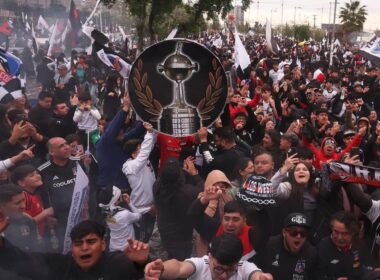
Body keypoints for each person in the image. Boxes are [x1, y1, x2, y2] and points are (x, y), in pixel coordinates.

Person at [0, 218, 149, 280]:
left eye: (91, 242)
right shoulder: (59, 266)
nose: (84, 248)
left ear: (103, 245)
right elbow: (19, 261)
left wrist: (142, 262)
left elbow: (156, 270)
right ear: (71, 248)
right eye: (78, 243)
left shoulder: (116, 262)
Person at [144, 233, 273, 280]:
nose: (223, 276)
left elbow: (255, 275)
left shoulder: (243, 267)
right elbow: (179, 267)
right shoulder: (201, 264)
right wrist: (162, 270)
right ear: (210, 257)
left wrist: (261, 277)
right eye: (218, 268)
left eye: (230, 270)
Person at [38, 137, 88, 249]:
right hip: (60, 217)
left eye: (66, 144)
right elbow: (42, 195)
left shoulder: (78, 162)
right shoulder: (42, 170)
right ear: (51, 152)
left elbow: (86, 184)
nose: (67, 147)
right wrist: (48, 215)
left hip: (81, 212)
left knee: (85, 242)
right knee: (66, 246)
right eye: (61, 146)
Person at [153, 157, 203, 260]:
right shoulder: (188, 193)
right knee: (181, 260)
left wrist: (183, 173)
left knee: (170, 254)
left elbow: (172, 184)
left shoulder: (156, 187)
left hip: (165, 231)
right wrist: (194, 173)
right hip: (183, 236)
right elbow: (202, 189)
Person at [315, 211, 378, 279]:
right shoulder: (322, 247)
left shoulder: (359, 244)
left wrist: (374, 272)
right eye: (336, 232)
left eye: (344, 233)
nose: (339, 237)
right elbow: (315, 276)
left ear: (353, 233)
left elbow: (365, 269)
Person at [122, 122, 156, 242]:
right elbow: (145, 151)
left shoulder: (141, 160)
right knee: (141, 240)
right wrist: (149, 133)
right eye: (139, 149)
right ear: (133, 154)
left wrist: (154, 130)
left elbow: (149, 146)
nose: (142, 151)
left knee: (152, 238)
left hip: (152, 206)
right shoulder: (131, 166)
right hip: (141, 210)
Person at [261, 213, 317, 279]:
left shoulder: (311, 253)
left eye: (303, 233)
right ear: (284, 232)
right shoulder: (269, 245)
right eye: (294, 232)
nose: (298, 236)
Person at [98, 186, 149, 252]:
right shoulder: (124, 214)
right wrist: (129, 202)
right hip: (127, 248)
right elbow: (139, 216)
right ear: (115, 201)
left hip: (113, 248)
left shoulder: (106, 213)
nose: (121, 196)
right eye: (119, 196)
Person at [0, 183, 41, 252]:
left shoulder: (27, 220)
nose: (23, 206)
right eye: (17, 203)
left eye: (23, 200)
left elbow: (35, 247)